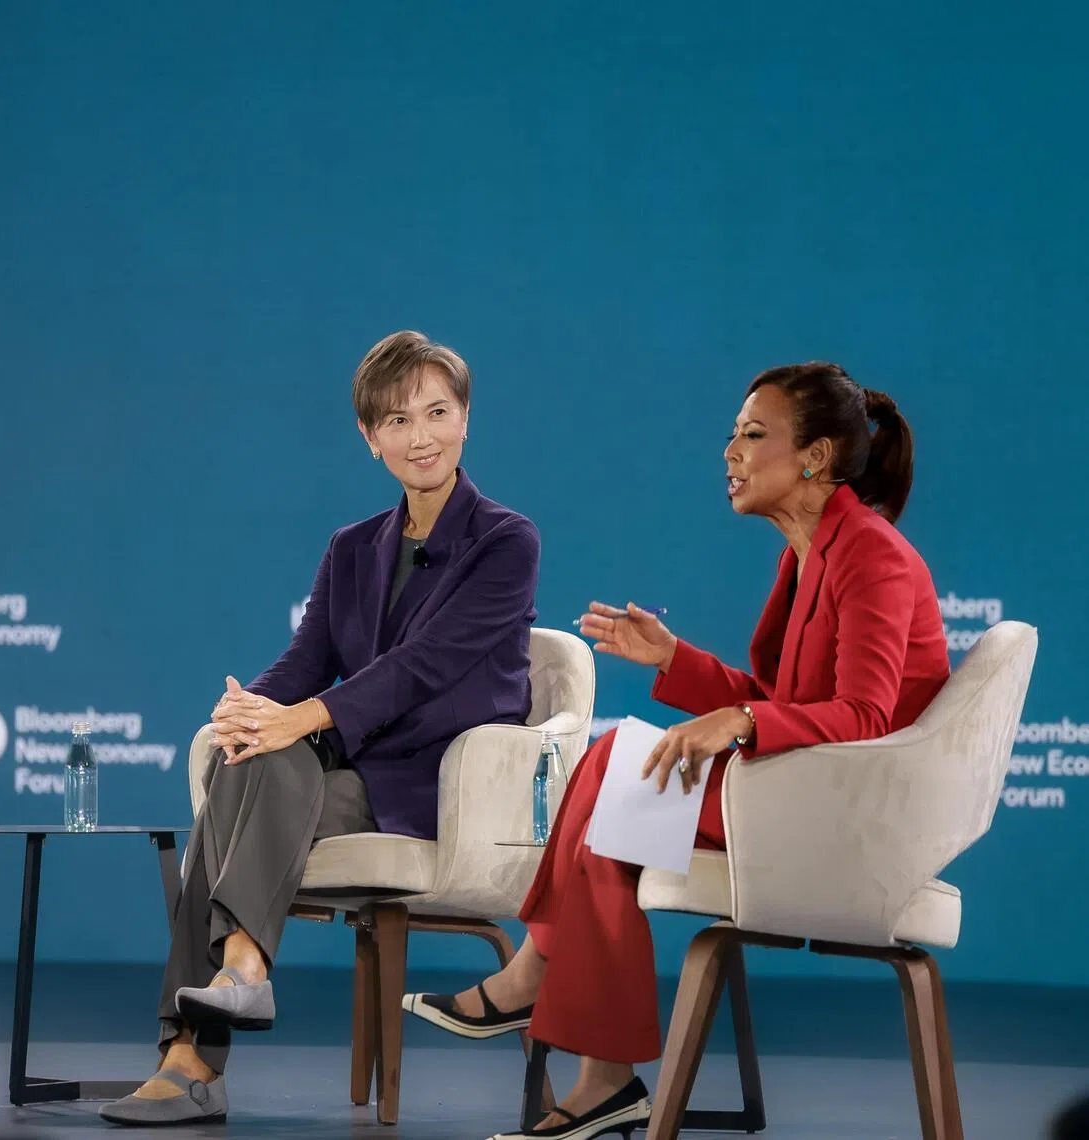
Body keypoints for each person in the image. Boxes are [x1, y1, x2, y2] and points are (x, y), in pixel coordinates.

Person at [404, 362, 951, 1140]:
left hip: (851, 816)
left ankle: (557, 1009)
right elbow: (782, 701)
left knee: (613, 770)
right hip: (806, 788)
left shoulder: (874, 556)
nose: (730, 452)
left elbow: (859, 713)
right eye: (732, 434)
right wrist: (674, 663)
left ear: (816, 458)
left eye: (753, 435)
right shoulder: (809, 553)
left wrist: (739, 718)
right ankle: (594, 1065)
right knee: (613, 773)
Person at [101, 330, 540, 1126]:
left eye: (438, 413)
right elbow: (306, 660)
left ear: (466, 420)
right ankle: (240, 971)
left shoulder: (505, 542)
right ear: (371, 438)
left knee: (262, 765)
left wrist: (292, 719)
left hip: (433, 784)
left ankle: (191, 1058)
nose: (422, 437)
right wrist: (245, 708)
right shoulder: (351, 548)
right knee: (248, 758)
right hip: (346, 770)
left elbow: (427, 665)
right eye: (399, 421)